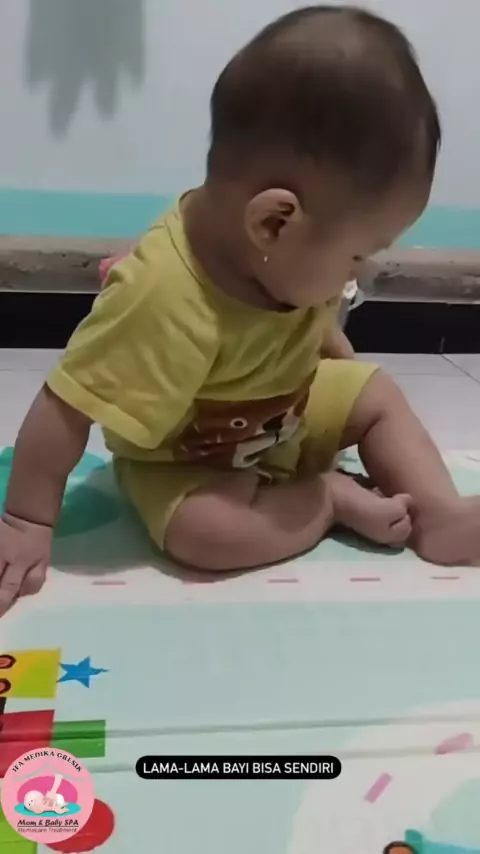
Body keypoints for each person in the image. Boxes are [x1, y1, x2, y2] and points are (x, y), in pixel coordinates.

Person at [0, 5, 478, 615]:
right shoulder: (163, 296)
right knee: (201, 534)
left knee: (376, 393)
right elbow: (66, 407)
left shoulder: (283, 253)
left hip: (285, 415)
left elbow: (315, 328)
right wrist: (25, 521)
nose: (359, 274)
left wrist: (347, 376)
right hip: (186, 461)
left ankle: (438, 515)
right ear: (275, 221)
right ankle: (324, 501)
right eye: (358, 254)